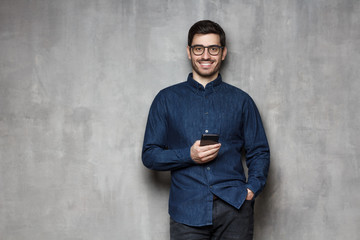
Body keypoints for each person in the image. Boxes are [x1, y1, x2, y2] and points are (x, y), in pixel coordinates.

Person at [142, 20, 270, 240]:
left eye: (213, 48)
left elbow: (259, 151)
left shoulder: (242, 101)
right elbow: (150, 155)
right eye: (198, 48)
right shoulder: (166, 100)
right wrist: (188, 155)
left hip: (235, 209)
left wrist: (251, 190)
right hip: (186, 211)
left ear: (223, 53)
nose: (206, 55)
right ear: (189, 52)